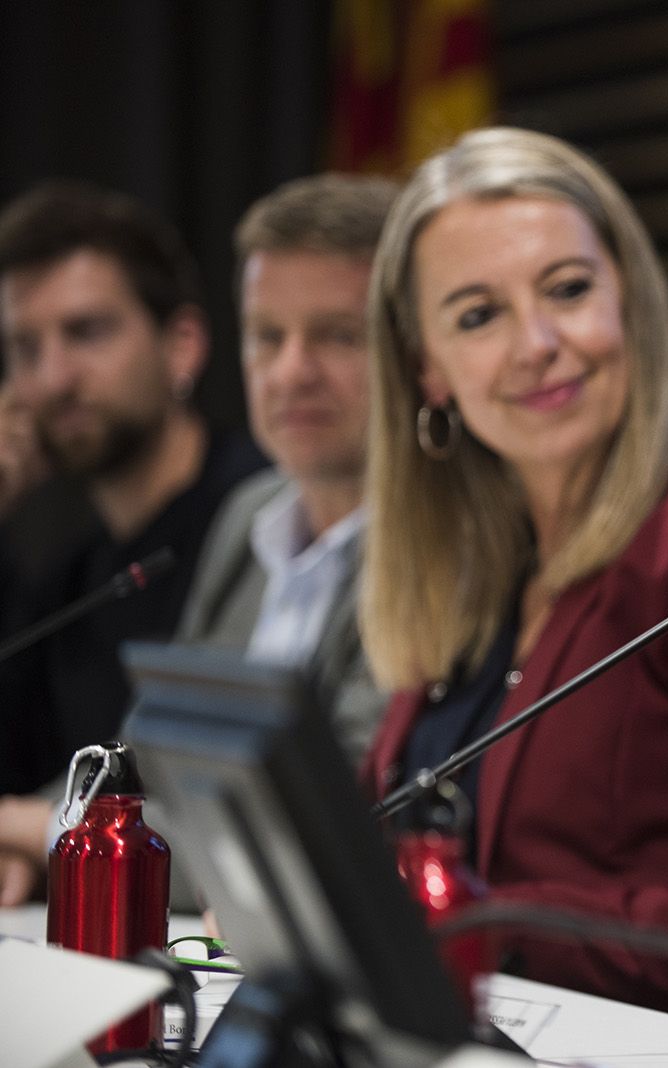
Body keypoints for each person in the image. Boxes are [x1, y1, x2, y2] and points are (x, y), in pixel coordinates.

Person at [358, 127, 668, 1039]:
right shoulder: (471, 562)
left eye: (569, 290)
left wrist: (464, 922)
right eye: (478, 315)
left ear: (627, 294)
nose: (538, 343)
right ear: (426, 368)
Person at [0, 183, 265, 897]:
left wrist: (30, 832)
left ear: (181, 345)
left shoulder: (268, 523)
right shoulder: (68, 574)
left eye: (86, 332)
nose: (52, 379)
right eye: (25, 348)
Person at [175, 172, 398, 762]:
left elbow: (346, 790)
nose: (291, 372)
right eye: (268, 336)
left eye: (338, 336)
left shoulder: (445, 539)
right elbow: (159, 749)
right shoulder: (248, 511)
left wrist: (49, 829)